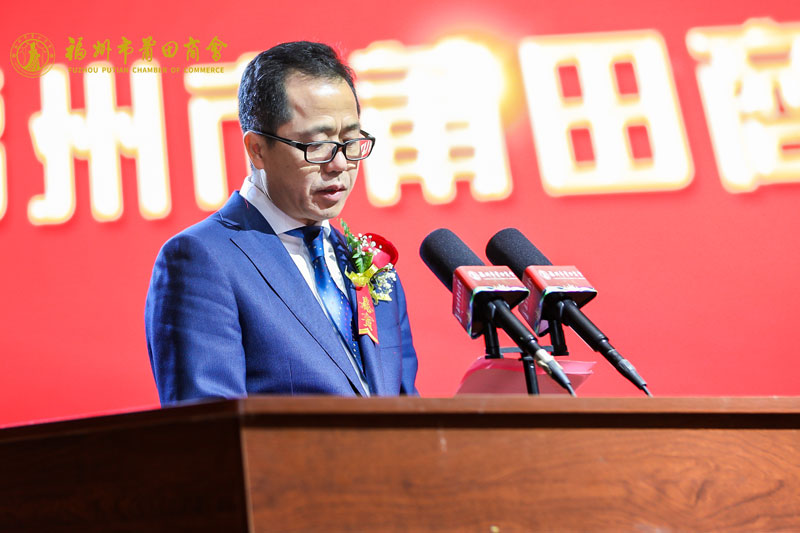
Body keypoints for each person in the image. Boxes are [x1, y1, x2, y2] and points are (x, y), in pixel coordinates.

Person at [145, 41, 418, 405]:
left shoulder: (371, 266)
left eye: (350, 140)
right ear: (257, 149)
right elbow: (210, 425)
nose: (339, 164)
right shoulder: (202, 260)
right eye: (316, 145)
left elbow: (408, 410)